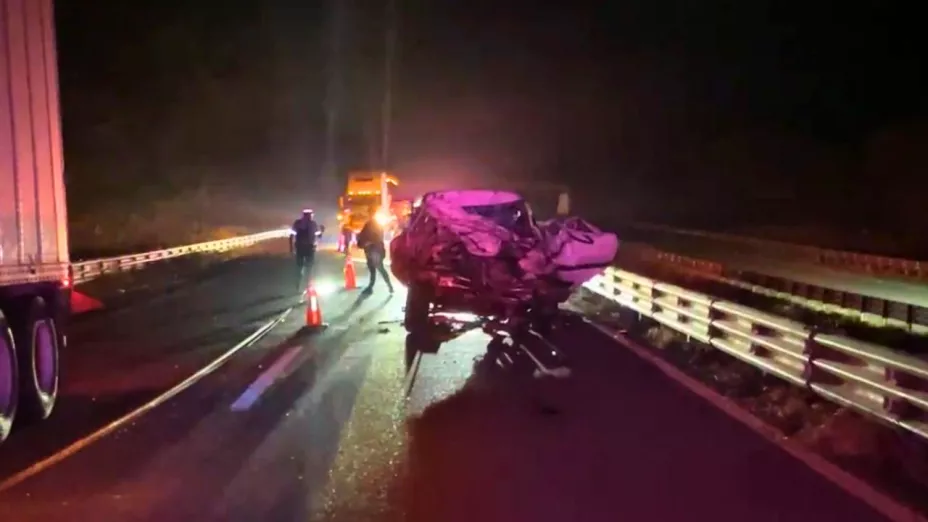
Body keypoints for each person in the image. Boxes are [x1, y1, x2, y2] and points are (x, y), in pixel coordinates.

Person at [356, 208, 394, 293]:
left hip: (375, 251)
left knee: (378, 268)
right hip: (372, 250)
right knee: (374, 269)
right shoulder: (371, 224)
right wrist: (362, 243)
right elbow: (362, 236)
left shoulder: (374, 225)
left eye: (371, 213)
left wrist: (367, 243)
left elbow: (377, 238)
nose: (370, 215)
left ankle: (388, 285)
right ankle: (373, 286)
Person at [290, 208, 324, 290]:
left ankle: (298, 284)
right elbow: (319, 236)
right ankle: (307, 285)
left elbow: (291, 236)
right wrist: (322, 230)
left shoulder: (297, 223)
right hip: (309, 248)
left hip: (299, 247)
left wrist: (291, 247)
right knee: (309, 267)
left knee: (299, 267)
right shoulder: (313, 224)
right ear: (310, 215)